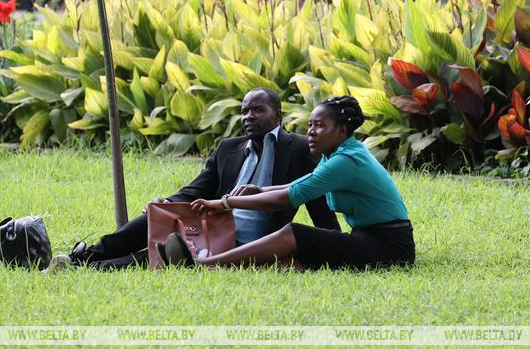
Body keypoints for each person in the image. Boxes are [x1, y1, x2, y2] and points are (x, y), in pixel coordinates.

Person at [57, 88, 340, 270]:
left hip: (247, 242)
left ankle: (90, 268)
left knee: (162, 255)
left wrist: (333, 243)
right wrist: (167, 203)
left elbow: (315, 196)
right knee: (152, 219)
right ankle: (85, 256)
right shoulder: (229, 148)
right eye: (244, 111)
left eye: (258, 110)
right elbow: (197, 188)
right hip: (208, 225)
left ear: (277, 115)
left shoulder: (300, 149)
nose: (248, 116)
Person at [158, 96, 415, 271]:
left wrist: (224, 202)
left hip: (389, 247)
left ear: (341, 132)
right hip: (369, 239)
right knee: (288, 258)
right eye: (310, 125)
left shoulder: (346, 161)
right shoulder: (341, 154)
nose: (311, 132)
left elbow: (289, 196)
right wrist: (259, 190)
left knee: (294, 233)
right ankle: (214, 262)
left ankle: (206, 263)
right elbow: (300, 183)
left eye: (320, 126)